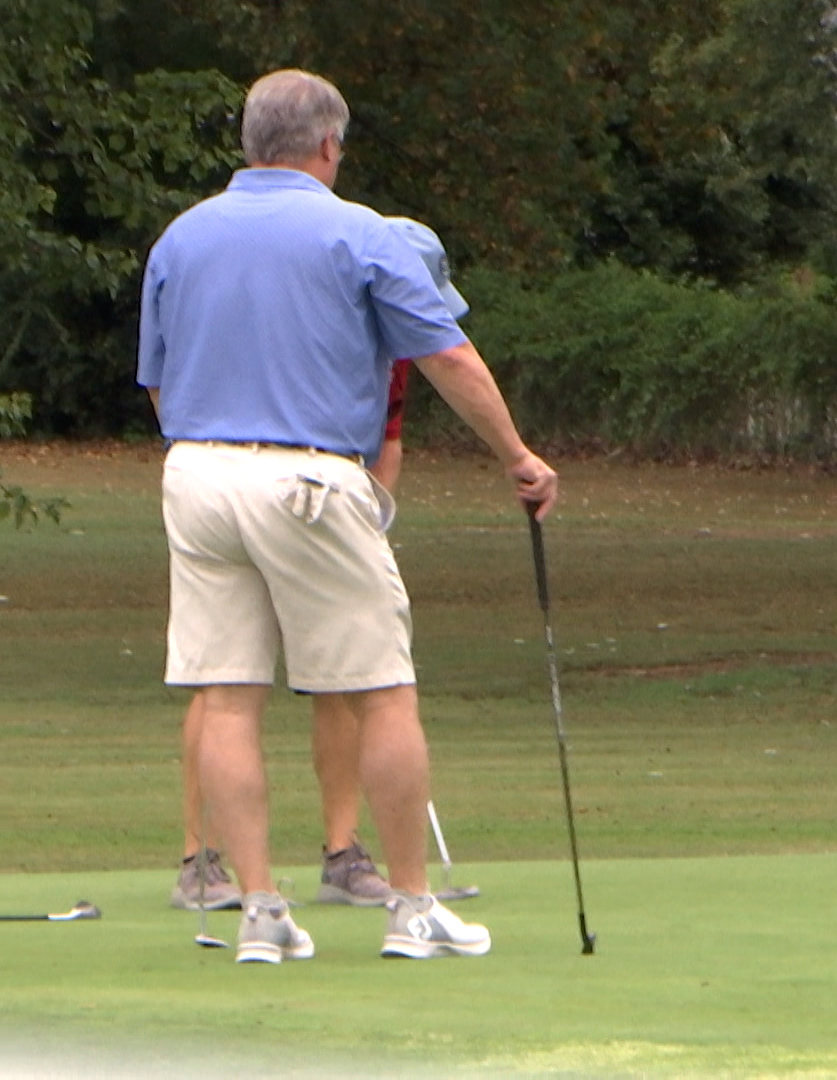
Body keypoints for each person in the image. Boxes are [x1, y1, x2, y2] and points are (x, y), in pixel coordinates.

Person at [139, 69, 558, 961]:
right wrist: (518, 456)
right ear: (328, 145)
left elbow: (160, 383)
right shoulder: (359, 231)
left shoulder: (181, 237)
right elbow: (447, 355)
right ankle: (412, 907)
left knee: (226, 698)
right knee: (381, 690)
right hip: (309, 479)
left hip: (196, 475)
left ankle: (259, 912)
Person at [168, 217, 468, 913]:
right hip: (264, 486)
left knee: (347, 678)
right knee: (226, 682)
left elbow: (385, 442)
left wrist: (373, 520)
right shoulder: (317, 323)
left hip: (329, 503)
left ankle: (342, 850)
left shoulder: (392, 355)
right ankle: (199, 858)